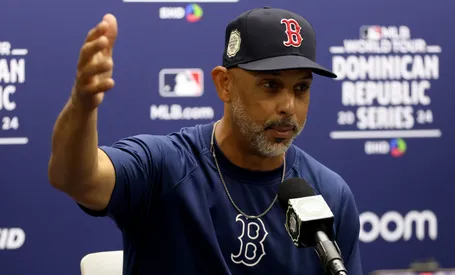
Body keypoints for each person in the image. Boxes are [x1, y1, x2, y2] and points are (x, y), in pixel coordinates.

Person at [48, 6, 363, 275]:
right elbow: (77, 179)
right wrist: (82, 105)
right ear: (224, 84)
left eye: (301, 89)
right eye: (270, 84)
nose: (288, 106)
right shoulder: (165, 166)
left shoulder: (329, 194)